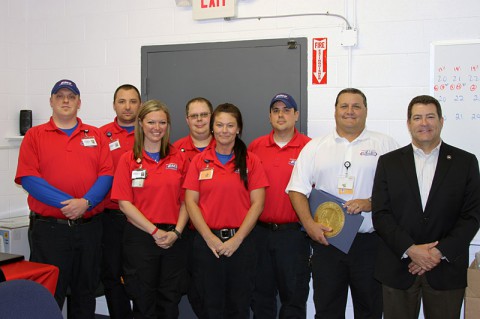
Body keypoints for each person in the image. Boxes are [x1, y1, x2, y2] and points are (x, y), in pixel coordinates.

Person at [286, 88, 399, 319]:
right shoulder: (316, 147)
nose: (350, 111)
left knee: (370, 310)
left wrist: (371, 202)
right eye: (344, 106)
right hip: (328, 243)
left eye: (356, 106)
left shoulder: (386, 145)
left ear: (366, 111)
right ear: (335, 111)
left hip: (370, 244)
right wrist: (309, 225)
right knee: (327, 310)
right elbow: (297, 189)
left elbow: (400, 192)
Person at [371, 95, 480, 319]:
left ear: (441, 121)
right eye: (417, 117)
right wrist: (411, 249)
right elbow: (381, 214)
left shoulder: (465, 162)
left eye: (430, 117)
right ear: (409, 123)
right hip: (398, 266)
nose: (424, 123)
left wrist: (437, 253)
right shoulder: (388, 162)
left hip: (446, 269)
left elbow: (472, 216)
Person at [14, 79, 114, 319]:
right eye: (60, 96)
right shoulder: (35, 135)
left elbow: (107, 174)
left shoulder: (96, 135)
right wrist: (71, 203)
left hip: (89, 230)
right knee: (48, 293)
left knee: (85, 292)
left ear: (79, 102)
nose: (66, 100)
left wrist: (86, 203)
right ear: (51, 101)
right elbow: (28, 178)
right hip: (49, 231)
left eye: (71, 96)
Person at [184, 103, 269, 319]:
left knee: (239, 307)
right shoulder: (199, 161)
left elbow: (257, 203)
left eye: (230, 125)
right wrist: (209, 238)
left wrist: (237, 239)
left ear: (239, 128)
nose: (224, 130)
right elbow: (190, 202)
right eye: (219, 125)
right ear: (212, 128)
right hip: (207, 245)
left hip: (241, 245)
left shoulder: (251, 160)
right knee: (209, 306)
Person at [111, 100, 189, 319]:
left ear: (168, 125)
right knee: (143, 300)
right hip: (141, 239)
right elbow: (124, 203)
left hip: (173, 239)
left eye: (162, 122)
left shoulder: (180, 158)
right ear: (141, 124)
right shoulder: (128, 160)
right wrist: (154, 231)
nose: (157, 127)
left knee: (169, 300)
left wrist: (176, 232)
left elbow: (187, 202)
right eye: (151, 122)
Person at [248, 93, 311, 318]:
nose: (281, 115)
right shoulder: (255, 147)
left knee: (294, 298)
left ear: (296, 115)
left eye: (286, 110)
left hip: (294, 237)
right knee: (261, 297)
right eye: (276, 110)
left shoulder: (309, 148)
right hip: (260, 234)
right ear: (269, 116)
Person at [99, 84, 141, 319]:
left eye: (133, 101)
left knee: (142, 274)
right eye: (122, 101)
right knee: (113, 275)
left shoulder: (151, 133)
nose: (127, 106)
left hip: (142, 219)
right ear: (114, 104)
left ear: (140, 105)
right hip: (111, 218)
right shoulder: (100, 135)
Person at [173, 97, 215, 162]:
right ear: (187, 120)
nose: (199, 119)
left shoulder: (223, 146)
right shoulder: (176, 149)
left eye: (204, 114)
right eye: (194, 116)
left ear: (212, 117)